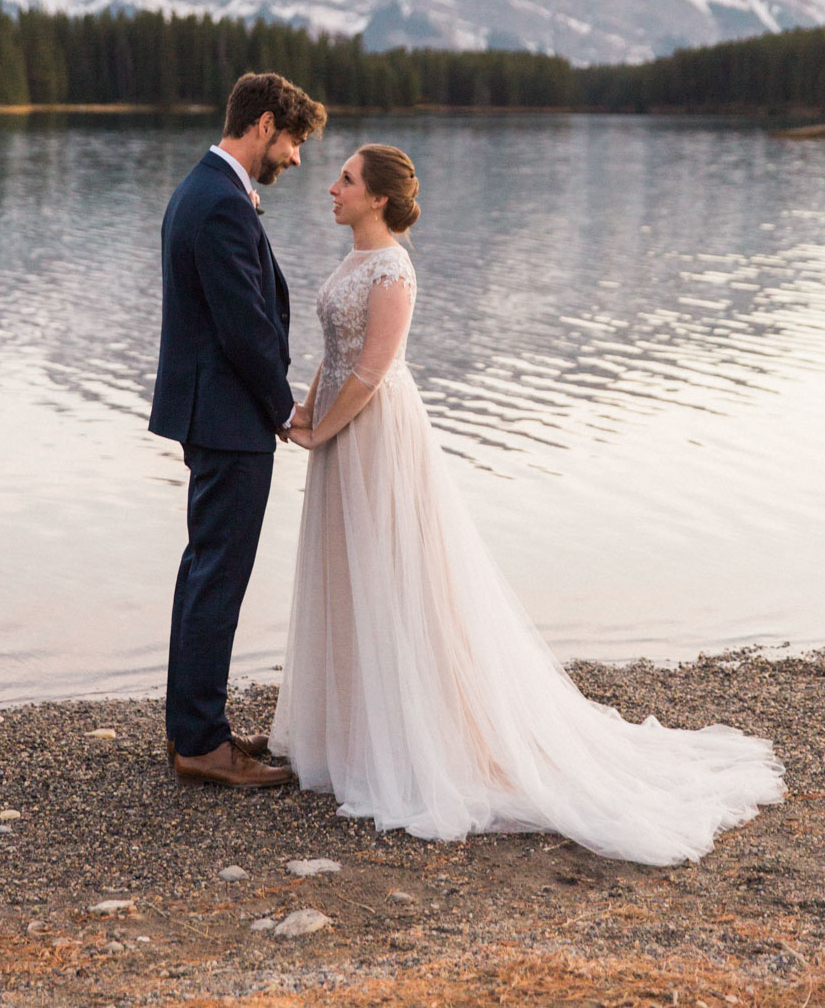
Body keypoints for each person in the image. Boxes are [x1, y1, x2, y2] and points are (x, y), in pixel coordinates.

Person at [272, 144, 785, 862]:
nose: (332, 187)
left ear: (379, 199)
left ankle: (418, 743)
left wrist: (324, 426)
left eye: (347, 180)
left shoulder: (393, 269)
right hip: (338, 434)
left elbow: (374, 370)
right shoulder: (354, 261)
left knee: (398, 575)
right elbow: (335, 349)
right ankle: (355, 734)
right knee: (348, 573)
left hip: (376, 436)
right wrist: (305, 410)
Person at [150, 71, 326, 788]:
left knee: (205, 572)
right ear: (262, 126)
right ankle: (200, 744)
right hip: (228, 420)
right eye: (293, 142)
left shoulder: (203, 189)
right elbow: (243, 324)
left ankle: (200, 729)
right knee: (217, 576)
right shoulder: (221, 203)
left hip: (212, 413)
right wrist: (284, 410)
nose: (295, 158)